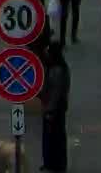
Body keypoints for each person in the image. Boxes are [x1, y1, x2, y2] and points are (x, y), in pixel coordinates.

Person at [40, 40, 71, 171]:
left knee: (53, 138)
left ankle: (55, 164)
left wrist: (49, 110)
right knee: (54, 137)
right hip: (55, 108)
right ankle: (52, 163)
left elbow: (56, 93)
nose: (46, 53)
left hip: (54, 110)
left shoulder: (57, 70)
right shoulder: (58, 67)